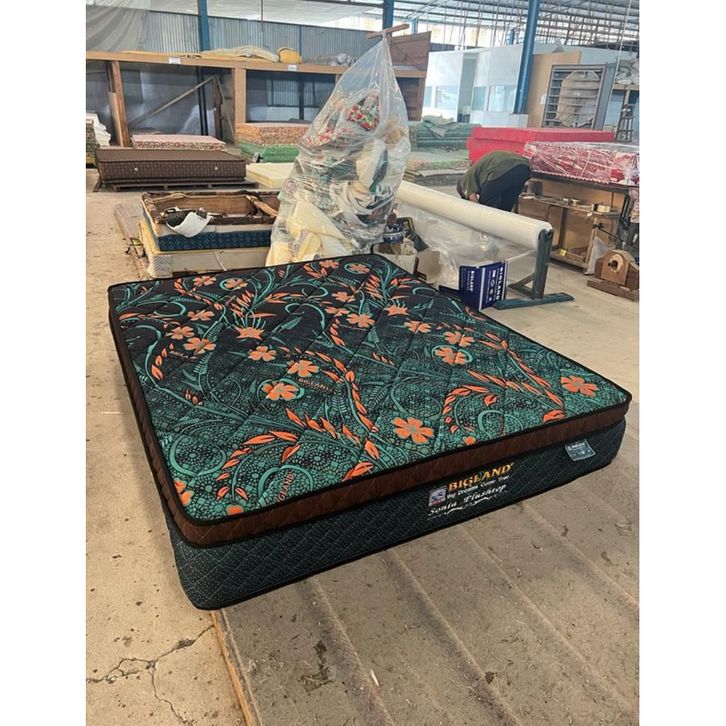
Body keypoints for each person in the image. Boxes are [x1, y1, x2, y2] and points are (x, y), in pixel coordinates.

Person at [456, 150, 532, 211]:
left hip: (502, 168)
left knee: (486, 206)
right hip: (523, 168)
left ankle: (486, 225)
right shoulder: (477, 172)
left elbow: (474, 201)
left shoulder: (464, 182)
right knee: (506, 206)